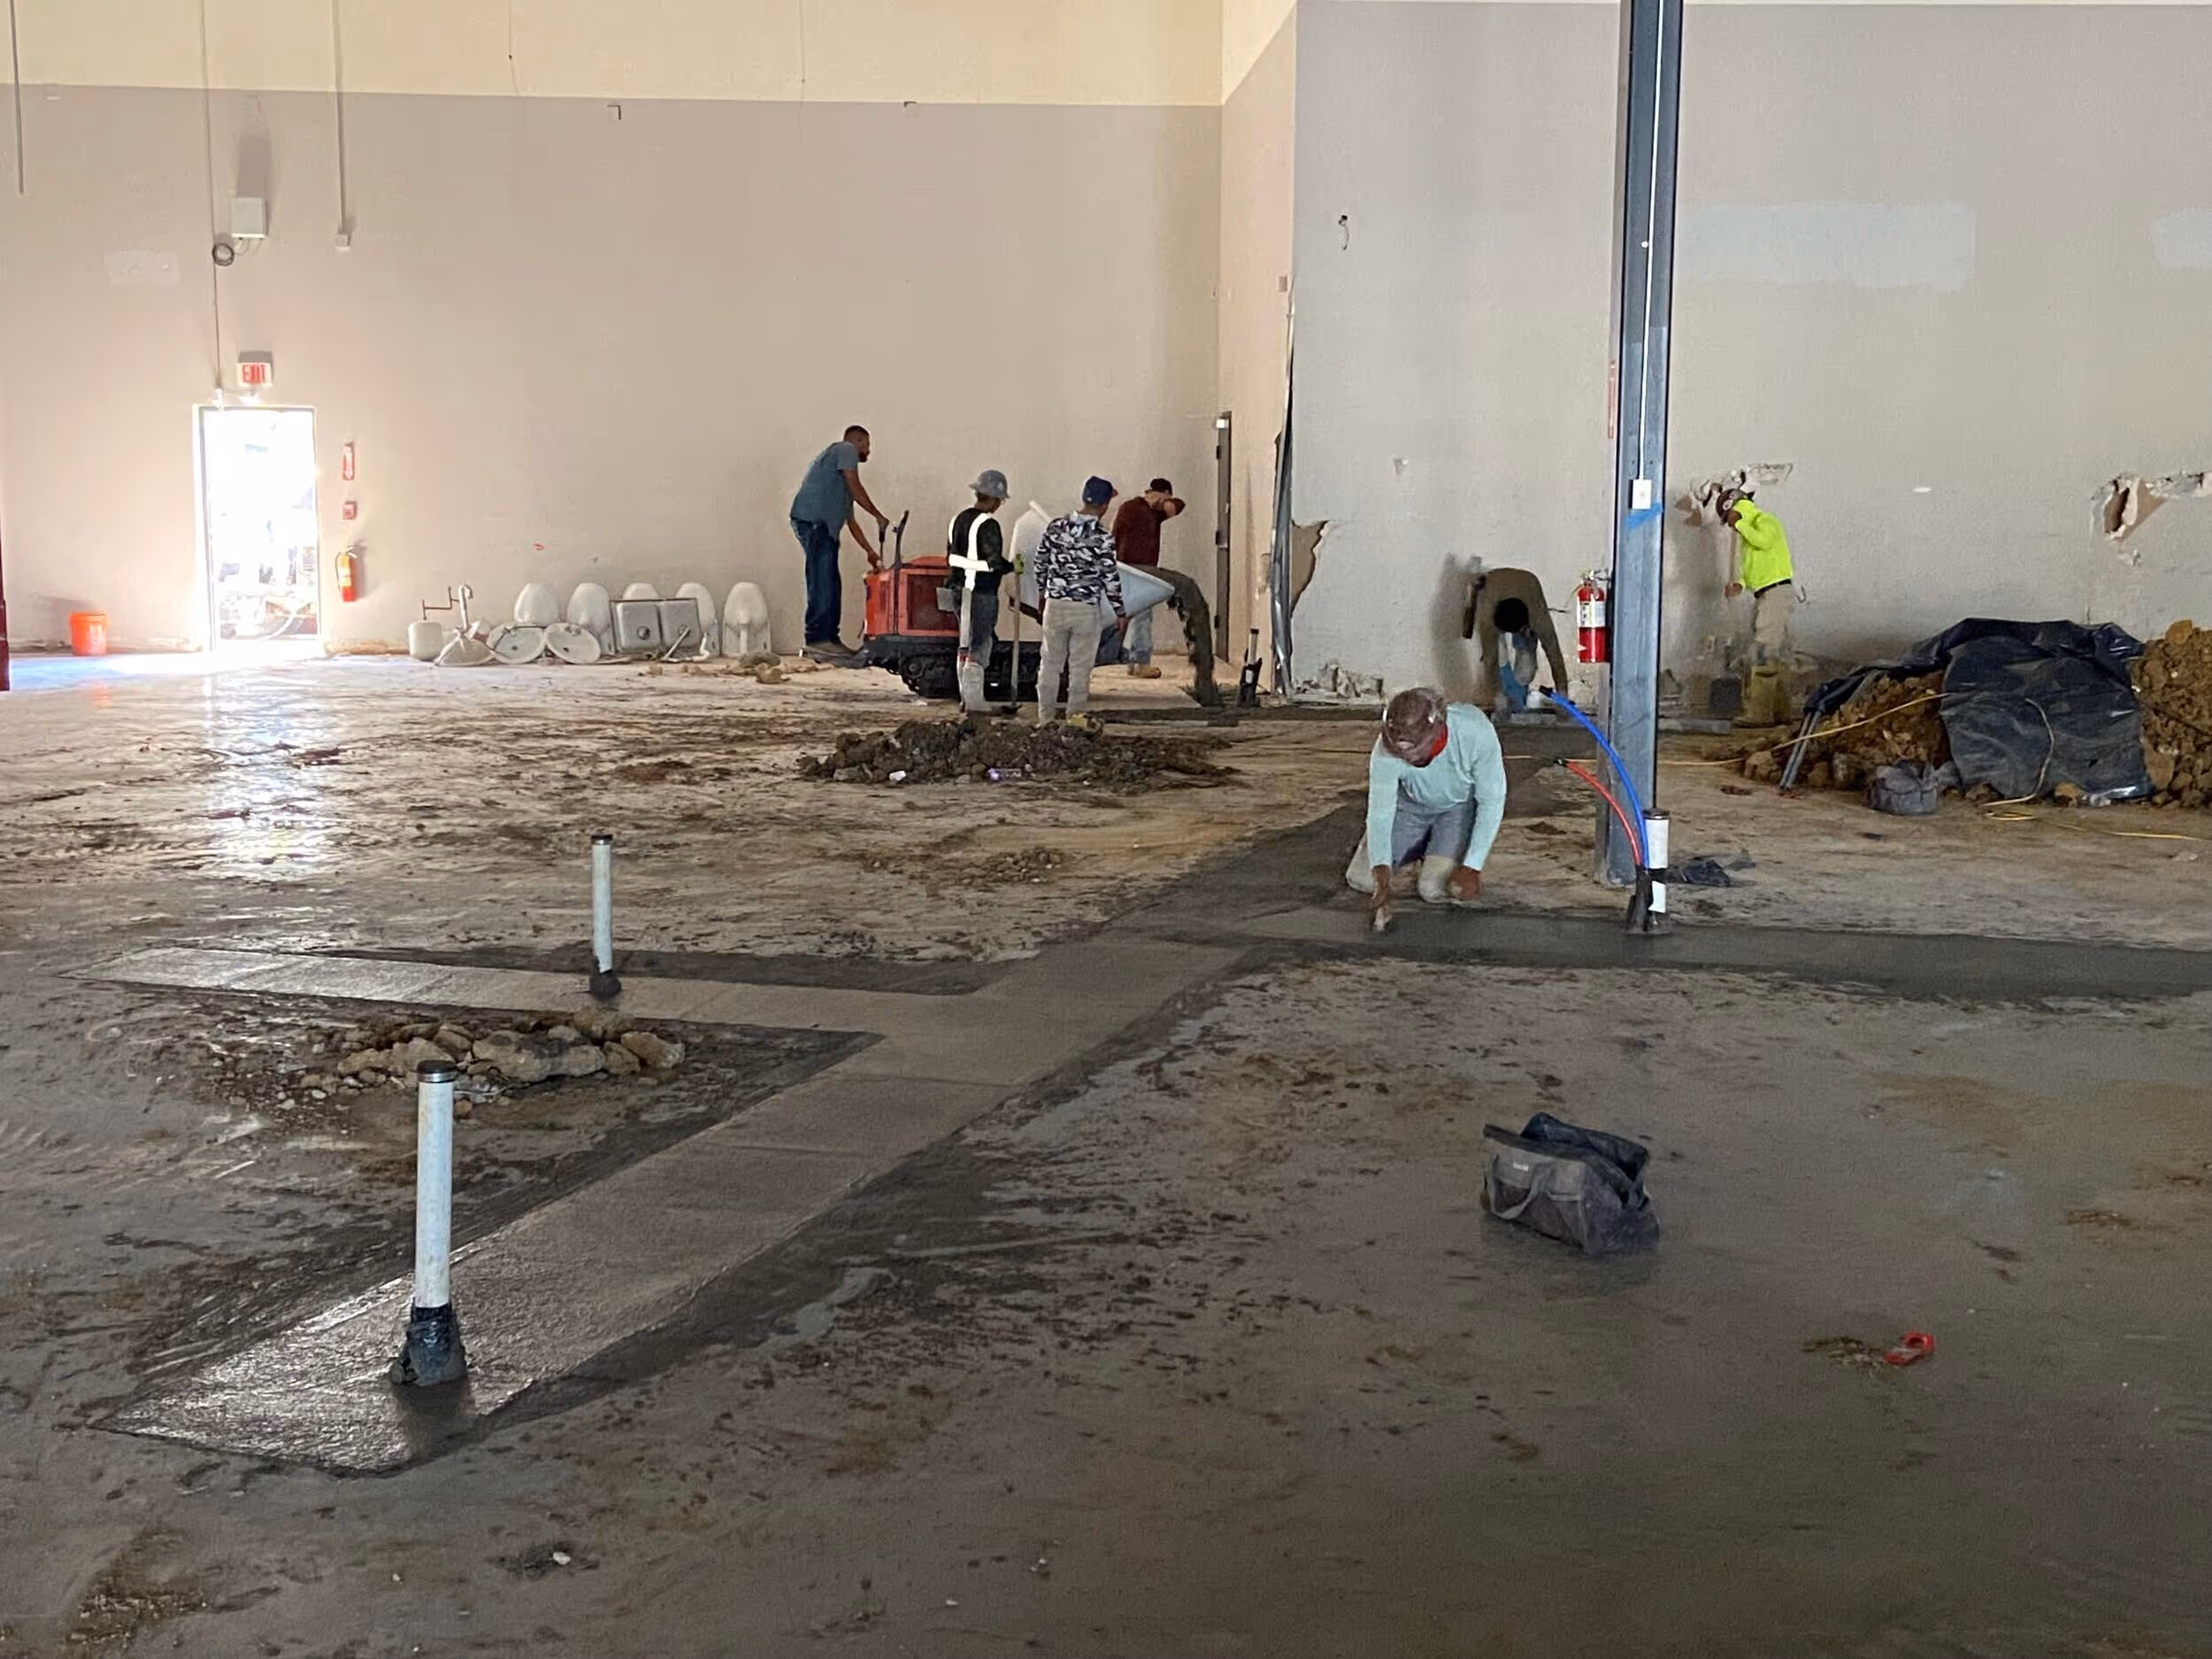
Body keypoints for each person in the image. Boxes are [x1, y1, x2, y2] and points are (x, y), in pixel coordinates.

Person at [1346, 687, 1508, 926]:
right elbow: (1380, 811)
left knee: (1434, 889)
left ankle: (1440, 847)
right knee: (1362, 879)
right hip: (1410, 807)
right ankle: (1419, 846)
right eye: (1403, 755)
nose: (1409, 760)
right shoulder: (1386, 746)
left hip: (1456, 809)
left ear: (1438, 731)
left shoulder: (1475, 731)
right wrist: (1381, 877)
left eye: (1417, 753)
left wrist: (1473, 865)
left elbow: (1492, 800)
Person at [789, 425, 891, 661]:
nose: (868, 450)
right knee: (822, 581)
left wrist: (870, 552)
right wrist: (878, 516)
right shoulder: (845, 450)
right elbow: (857, 488)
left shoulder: (840, 485)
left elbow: (851, 521)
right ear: (857, 441)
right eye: (866, 444)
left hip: (822, 529)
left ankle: (829, 639)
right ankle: (817, 639)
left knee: (831, 582)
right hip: (814, 524)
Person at [1033, 477, 1126, 726]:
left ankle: (1045, 719)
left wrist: (1044, 592)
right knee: (1079, 668)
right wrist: (1120, 611)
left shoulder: (1055, 527)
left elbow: (1040, 563)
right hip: (1085, 609)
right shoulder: (1102, 538)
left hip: (1056, 605)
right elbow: (1110, 578)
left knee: (1050, 664)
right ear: (1105, 505)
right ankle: (1074, 721)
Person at [1721, 492, 1796, 726]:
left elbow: (1764, 541)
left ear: (1735, 508)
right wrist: (1741, 584)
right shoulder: (1748, 532)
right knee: (1774, 653)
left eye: (1729, 518)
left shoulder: (1764, 521)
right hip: (1767, 593)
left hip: (1775, 592)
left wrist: (1741, 522)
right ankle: (1781, 710)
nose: (1731, 526)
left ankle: (1760, 714)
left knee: (1764, 650)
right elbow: (1754, 564)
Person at [1461, 565, 1570, 712]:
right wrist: (1496, 694)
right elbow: (1490, 657)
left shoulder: (1537, 614)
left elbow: (1553, 651)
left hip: (1527, 587)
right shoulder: (1488, 615)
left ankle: (1520, 680)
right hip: (1495, 590)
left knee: (1526, 668)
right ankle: (1505, 690)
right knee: (1497, 652)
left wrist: (1562, 693)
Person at [949, 468, 1013, 715]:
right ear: (995, 498)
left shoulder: (957, 520)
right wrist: (1013, 566)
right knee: (980, 644)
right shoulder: (988, 524)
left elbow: (953, 557)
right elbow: (994, 562)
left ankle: (966, 699)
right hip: (981, 592)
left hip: (958, 590)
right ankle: (975, 704)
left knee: (964, 644)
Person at [1110, 479, 1181, 679]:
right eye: (1167, 497)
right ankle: (1139, 661)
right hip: (1131, 570)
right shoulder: (1133, 508)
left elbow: (1179, 506)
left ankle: (1134, 661)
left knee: (1136, 615)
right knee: (1139, 616)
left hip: (1140, 570)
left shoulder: (1153, 513)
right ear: (1162, 493)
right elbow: (1117, 537)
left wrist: (1168, 504)